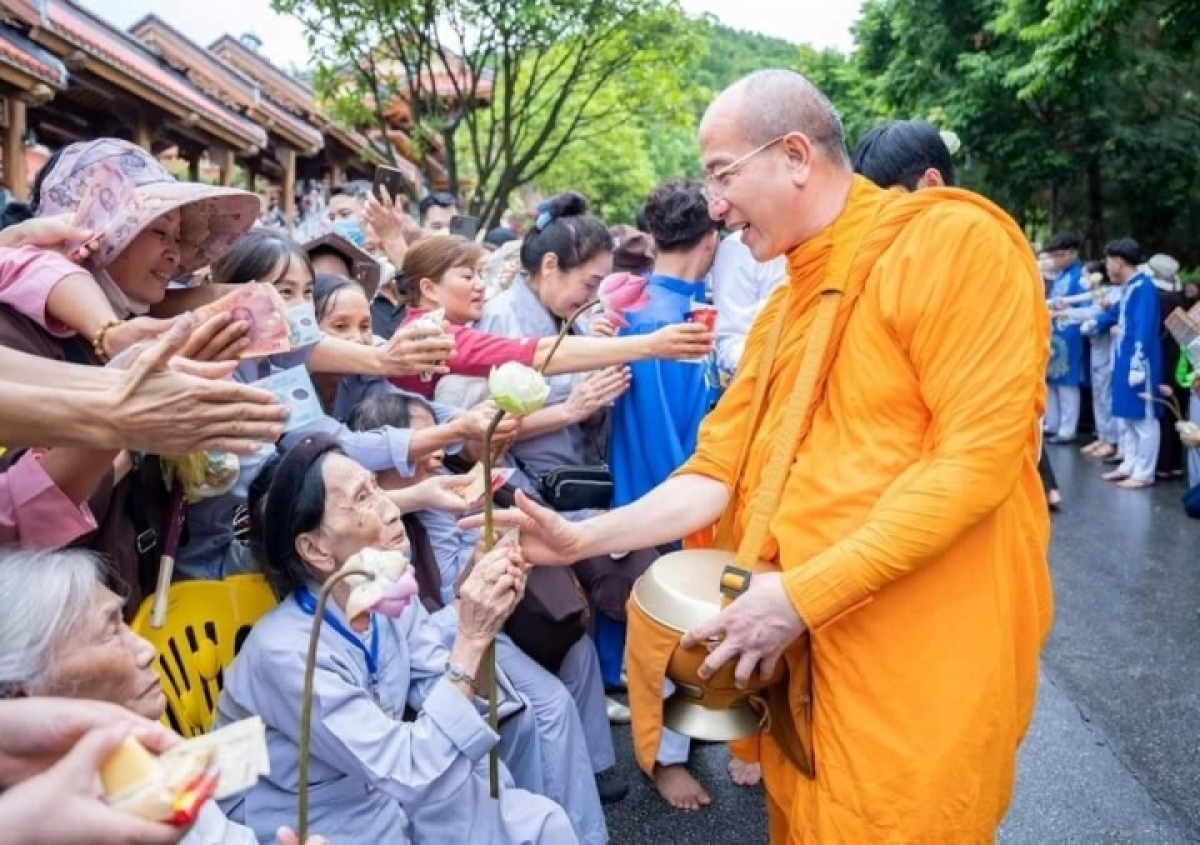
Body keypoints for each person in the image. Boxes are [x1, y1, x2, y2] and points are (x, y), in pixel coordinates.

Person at [467, 69, 1052, 843]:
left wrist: (805, 593)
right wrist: (584, 538)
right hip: (797, 654)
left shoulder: (949, 246)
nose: (712, 205)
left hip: (913, 655)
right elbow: (716, 471)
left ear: (797, 155)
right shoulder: (785, 307)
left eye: (721, 174)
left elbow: (973, 462)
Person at [215, 436, 578, 844]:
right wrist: (472, 637)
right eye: (364, 498)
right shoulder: (287, 653)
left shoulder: (383, 593)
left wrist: (478, 603)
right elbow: (406, 765)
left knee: (542, 823)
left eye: (377, 487)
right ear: (315, 549)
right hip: (316, 819)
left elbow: (436, 680)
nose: (391, 509)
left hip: (383, 788)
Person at [0, 549, 327, 845]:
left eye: (124, 623)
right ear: (25, 689)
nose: (147, 650)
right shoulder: (44, 823)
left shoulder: (143, 754)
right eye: (110, 632)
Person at [607, 179, 722, 809]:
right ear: (711, 241)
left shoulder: (671, 307)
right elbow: (656, 430)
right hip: (669, 494)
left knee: (690, 632)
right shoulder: (655, 319)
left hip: (681, 490)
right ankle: (662, 758)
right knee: (670, 635)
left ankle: (687, 737)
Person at [1094, 238, 1162, 489]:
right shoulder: (1130, 286)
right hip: (1124, 356)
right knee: (1128, 416)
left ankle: (1144, 472)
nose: (1107, 267)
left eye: (1109, 261)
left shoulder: (1144, 288)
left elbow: (1144, 328)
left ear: (1119, 262)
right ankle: (1130, 464)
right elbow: (1118, 315)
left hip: (1138, 361)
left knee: (1144, 418)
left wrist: (1138, 360)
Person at [1042, 232, 1087, 444]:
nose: (1055, 260)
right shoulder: (1059, 276)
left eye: (1059, 255)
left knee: (1068, 382)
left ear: (1072, 253)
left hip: (1070, 332)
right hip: (1054, 331)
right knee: (1051, 380)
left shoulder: (1081, 276)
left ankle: (1068, 428)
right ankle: (1052, 422)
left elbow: (1086, 305)